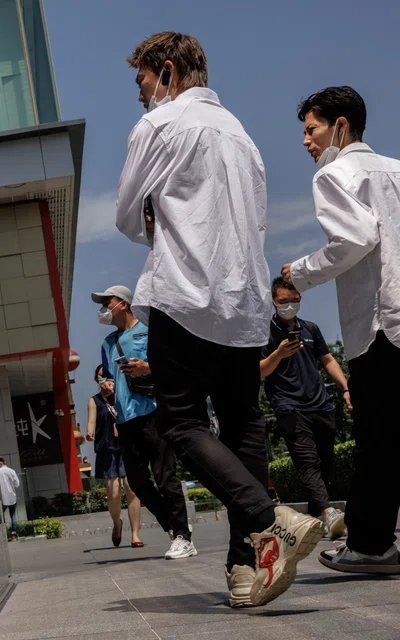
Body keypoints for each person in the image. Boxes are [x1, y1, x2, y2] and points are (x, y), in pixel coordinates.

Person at [117, 32, 322, 607]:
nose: (140, 95)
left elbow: (128, 217)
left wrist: (157, 216)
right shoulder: (242, 135)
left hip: (184, 294)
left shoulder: (158, 125)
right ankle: (243, 567)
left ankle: (268, 516)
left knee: (181, 424)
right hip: (244, 299)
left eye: (142, 82)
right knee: (242, 425)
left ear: (166, 71)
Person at [281, 86, 400, 574]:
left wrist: (300, 271)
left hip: (379, 323)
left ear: (341, 126)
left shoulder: (334, 173)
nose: (306, 141)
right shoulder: (396, 169)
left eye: (312, 130)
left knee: (378, 438)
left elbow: (356, 238)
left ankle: (371, 546)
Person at [92, 285, 194, 559]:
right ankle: (175, 527)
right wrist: (106, 385)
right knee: (137, 482)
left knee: (165, 477)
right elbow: (108, 376)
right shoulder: (107, 343)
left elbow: (173, 366)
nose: (103, 309)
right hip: (125, 420)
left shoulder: (149, 331)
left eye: (107, 302)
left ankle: (183, 537)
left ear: (123, 304)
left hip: (153, 413)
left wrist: (147, 368)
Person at [260, 278, 349, 539]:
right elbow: (259, 372)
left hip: (321, 404)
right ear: (273, 301)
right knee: (307, 461)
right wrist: (278, 354)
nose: (289, 305)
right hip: (289, 406)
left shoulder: (310, 328)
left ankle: (315, 517)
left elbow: (328, 359)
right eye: (284, 301)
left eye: (294, 300)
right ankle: (327, 512)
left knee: (325, 462)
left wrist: (345, 387)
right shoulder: (263, 333)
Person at [86, 365, 143, 548]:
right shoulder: (94, 401)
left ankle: (135, 535)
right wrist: (89, 432)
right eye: (101, 376)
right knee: (114, 493)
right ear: (97, 380)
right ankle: (117, 523)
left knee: (131, 488)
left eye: (108, 375)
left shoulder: (122, 394)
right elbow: (91, 422)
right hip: (107, 448)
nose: (105, 379)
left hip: (126, 445)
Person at [0, 458, 20, 539]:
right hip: (12, 497)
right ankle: (14, 535)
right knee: (13, 515)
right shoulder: (11, 471)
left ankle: (1, 534)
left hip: (2, 498)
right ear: (5, 462)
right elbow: (17, 484)